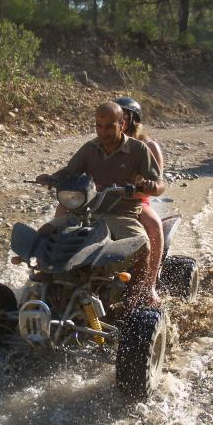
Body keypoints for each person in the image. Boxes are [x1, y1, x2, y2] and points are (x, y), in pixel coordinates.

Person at [36, 102, 165, 306]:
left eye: (108, 127)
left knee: (142, 245)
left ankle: (138, 295)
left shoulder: (139, 149)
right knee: (46, 232)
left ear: (122, 124)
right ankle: (45, 280)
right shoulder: (90, 148)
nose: (102, 132)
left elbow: (159, 184)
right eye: (98, 126)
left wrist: (149, 186)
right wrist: (51, 178)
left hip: (122, 213)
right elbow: (71, 171)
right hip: (87, 211)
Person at [113, 96, 164, 299]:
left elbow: (157, 180)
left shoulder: (148, 146)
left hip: (134, 200)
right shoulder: (104, 141)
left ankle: (149, 286)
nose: (118, 122)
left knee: (154, 225)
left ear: (133, 120)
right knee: (64, 212)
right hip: (101, 199)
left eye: (122, 117)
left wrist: (144, 188)